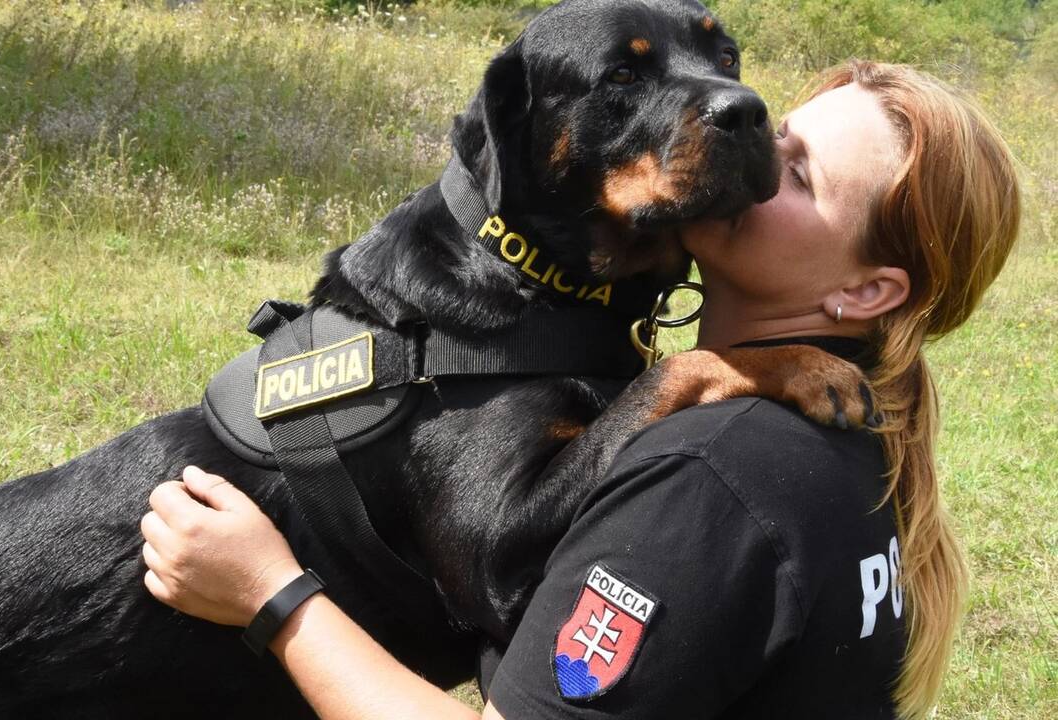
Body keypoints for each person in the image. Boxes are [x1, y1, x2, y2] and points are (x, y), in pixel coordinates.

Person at [139, 61, 1020, 719]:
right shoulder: (848, 442)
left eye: (797, 176)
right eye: (775, 131)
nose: (748, 148)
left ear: (865, 294)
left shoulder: (708, 474)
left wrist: (270, 594)